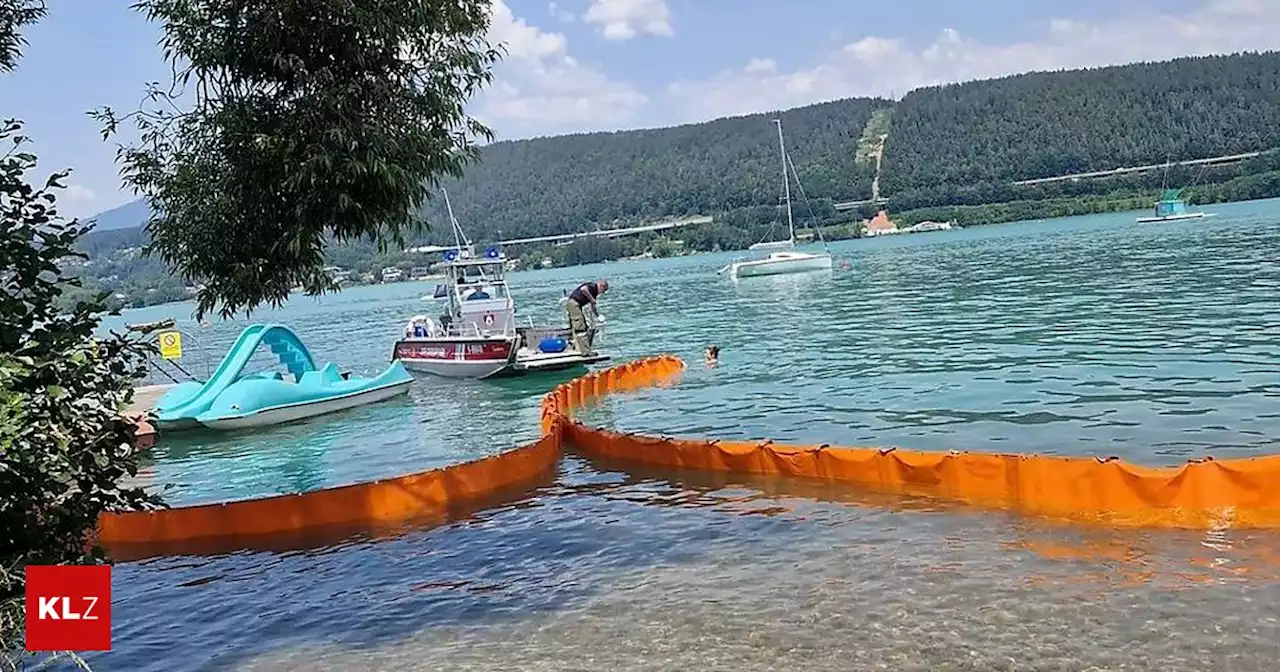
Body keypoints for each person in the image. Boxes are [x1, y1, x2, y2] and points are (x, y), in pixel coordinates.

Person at [566, 278, 608, 353]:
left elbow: (593, 307)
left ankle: (575, 346)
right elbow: (583, 289)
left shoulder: (594, 293)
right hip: (574, 304)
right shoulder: (592, 286)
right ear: (601, 286)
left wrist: (598, 316)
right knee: (580, 327)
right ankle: (586, 352)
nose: (603, 293)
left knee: (580, 326)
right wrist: (591, 299)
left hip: (575, 305)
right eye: (604, 291)